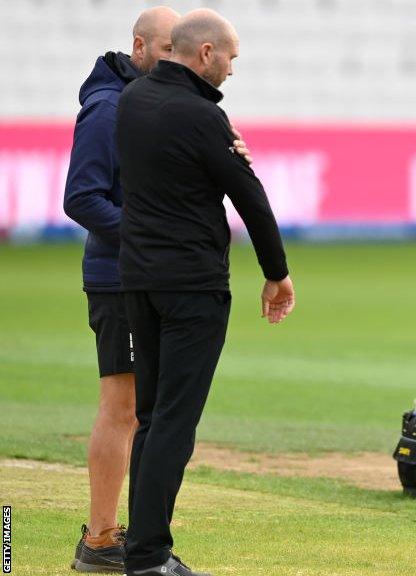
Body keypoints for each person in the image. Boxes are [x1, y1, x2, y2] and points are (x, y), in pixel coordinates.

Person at [116, 9, 295, 575]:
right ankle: (148, 556)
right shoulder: (202, 117)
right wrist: (277, 271)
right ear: (205, 54)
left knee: (150, 417)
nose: (233, 71)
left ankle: (138, 547)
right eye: (231, 59)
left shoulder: (132, 100)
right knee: (174, 422)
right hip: (191, 287)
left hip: (138, 280)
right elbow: (250, 195)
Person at [63, 7, 179, 572]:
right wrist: (148, 233)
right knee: (123, 406)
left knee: (141, 408)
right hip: (117, 278)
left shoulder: (148, 102)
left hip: (147, 272)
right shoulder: (109, 108)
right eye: (164, 49)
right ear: (138, 46)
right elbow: (81, 198)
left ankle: (117, 532)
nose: (173, 60)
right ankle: (101, 539)